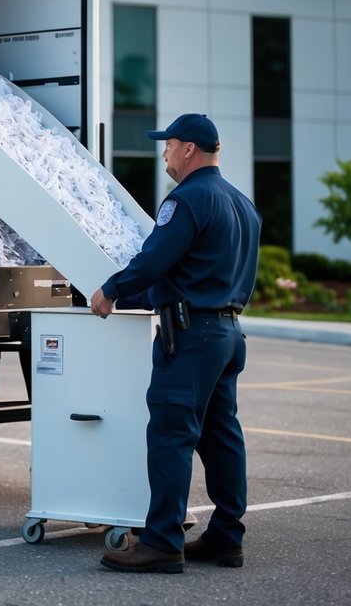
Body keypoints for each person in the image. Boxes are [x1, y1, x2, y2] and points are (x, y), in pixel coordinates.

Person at [90, 113, 261, 574]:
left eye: (168, 144)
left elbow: (155, 261)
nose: (163, 151)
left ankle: (162, 541)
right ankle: (227, 537)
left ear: (188, 149)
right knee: (221, 436)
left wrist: (111, 290)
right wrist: (140, 297)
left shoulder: (185, 200)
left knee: (171, 434)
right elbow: (193, 272)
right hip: (227, 334)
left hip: (191, 338)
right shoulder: (242, 204)